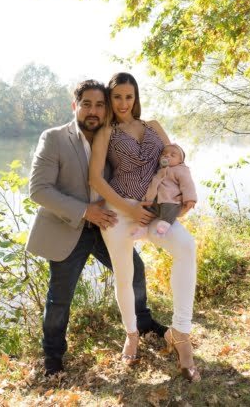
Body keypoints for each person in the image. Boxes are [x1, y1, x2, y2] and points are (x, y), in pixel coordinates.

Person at [26, 79, 167, 377]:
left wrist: (169, 191)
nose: (93, 110)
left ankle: (143, 322)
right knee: (59, 297)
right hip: (70, 229)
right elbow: (38, 190)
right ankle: (52, 357)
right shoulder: (54, 138)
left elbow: (136, 170)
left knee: (135, 272)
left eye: (100, 104)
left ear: (107, 108)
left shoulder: (112, 136)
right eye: (87, 104)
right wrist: (84, 211)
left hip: (108, 225)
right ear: (74, 105)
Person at [89, 72, 200, 382]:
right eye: (117, 97)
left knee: (186, 247)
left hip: (156, 212)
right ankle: (132, 334)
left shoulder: (154, 127)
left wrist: (184, 197)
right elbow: (95, 179)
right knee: (125, 276)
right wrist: (129, 208)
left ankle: (181, 335)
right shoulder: (105, 133)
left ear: (136, 97)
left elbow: (176, 162)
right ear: (110, 100)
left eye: (129, 96)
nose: (124, 103)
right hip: (120, 211)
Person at [131, 143, 197, 239]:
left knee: (169, 209)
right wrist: (146, 198)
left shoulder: (181, 170)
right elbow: (153, 185)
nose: (167, 155)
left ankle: (164, 225)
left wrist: (190, 199)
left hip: (170, 199)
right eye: (164, 154)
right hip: (154, 200)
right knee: (146, 212)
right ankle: (142, 229)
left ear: (180, 161)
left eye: (172, 155)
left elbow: (187, 184)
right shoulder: (160, 171)